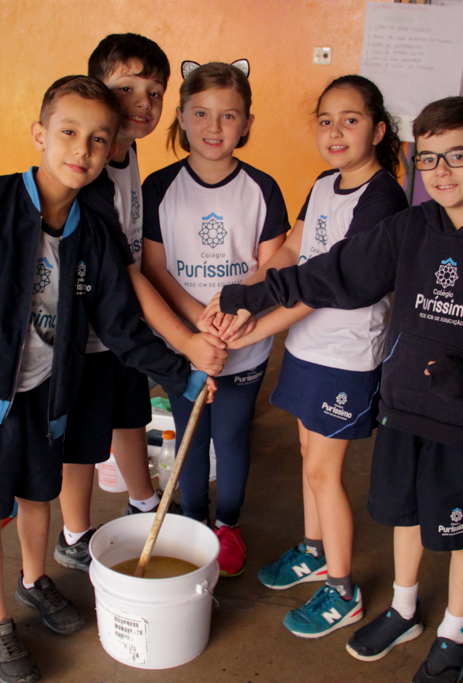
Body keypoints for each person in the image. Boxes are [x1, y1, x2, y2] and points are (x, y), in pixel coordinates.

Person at [207, 97, 463, 682]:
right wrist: (257, 293)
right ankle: (403, 608)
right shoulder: (412, 227)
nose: (442, 171)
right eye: (429, 159)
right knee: (405, 513)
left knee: (461, 529)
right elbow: (337, 271)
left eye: (458, 156)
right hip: (404, 404)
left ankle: (455, 631)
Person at [0, 76, 213, 683]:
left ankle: (35, 580)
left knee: (39, 498)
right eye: (68, 132)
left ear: (111, 149)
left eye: (98, 139)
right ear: (39, 134)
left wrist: (182, 375)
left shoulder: (93, 229)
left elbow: (120, 323)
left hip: (48, 395)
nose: (81, 150)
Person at [221, 75, 408, 638]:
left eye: (350, 120)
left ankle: (343, 591)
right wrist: (244, 292)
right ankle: (314, 551)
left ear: (378, 130)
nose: (335, 131)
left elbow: (328, 287)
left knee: (324, 472)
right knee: (308, 455)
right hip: (307, 347)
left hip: (345, 356)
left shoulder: (383, 198)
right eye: (325, 120)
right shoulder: (326, 183)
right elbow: (293, 249)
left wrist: (253, 322)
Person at [54, 34, 228, 572]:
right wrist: (186, 345)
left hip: (123, 332)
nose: (142, 103)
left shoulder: (126, 154)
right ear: (95, 89)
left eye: (154, 93)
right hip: (85, 332)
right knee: (82, 440)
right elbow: (127, 276)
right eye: (126, 88)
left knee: (128, 415)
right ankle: (74, 533)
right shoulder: (90, 177)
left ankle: (145, 503)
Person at [141, 60, 289, 577]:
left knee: (230, 437)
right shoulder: (158, 187)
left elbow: (274, 263)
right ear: (181, 117)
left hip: (244, 341)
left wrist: (236, 309)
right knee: (190, 435)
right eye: (201, 113)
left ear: (247, 123)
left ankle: (227, 525)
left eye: (229, 115)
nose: (214, 126)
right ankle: (192, 521)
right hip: (183, 342)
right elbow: (154, 267)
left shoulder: (262, 188)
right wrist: (196, 323)